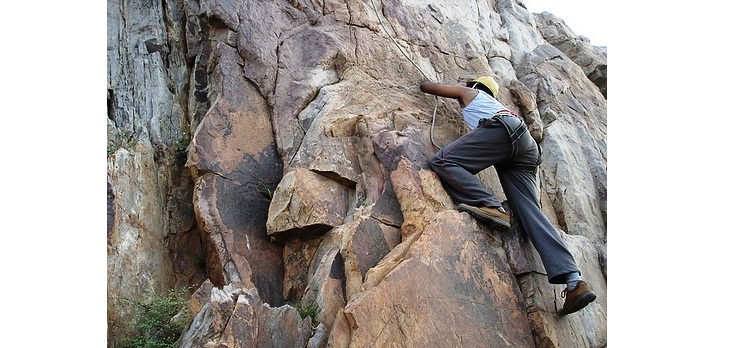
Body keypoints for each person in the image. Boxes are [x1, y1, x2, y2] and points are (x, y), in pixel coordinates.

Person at [419, 76, 596, 315]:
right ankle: (574, 282)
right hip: (526, 147)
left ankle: (490, 204)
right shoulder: (496, 105)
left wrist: (433, 82)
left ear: (475, 87)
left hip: (502, 131)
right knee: (529, 213)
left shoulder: (471, 93)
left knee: (442, 161)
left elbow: (427, 87)